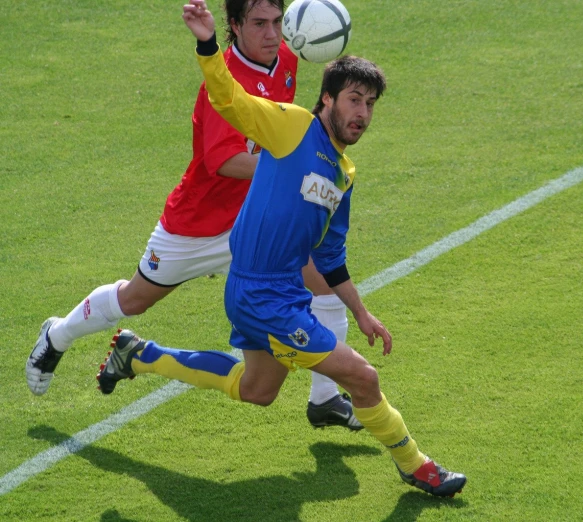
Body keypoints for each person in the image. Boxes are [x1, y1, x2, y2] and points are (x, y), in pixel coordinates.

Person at [95, 0, 467, 498]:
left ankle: (139, 354)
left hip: (278, 292)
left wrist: (363, 313)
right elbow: (229, 100)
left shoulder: (344, 175)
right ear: (327, 99)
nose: (362, 114)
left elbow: (330, 257)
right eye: (354, 100)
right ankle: (416, 465)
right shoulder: (291, 127)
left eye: (370, 105)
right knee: (363, 376)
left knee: (258, 391)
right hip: (263, 297)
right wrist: (208, 44)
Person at [26, 0, 361, 432]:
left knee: (327, 290)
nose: (271, 34)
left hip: (253, 224)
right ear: (235, 27)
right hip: (197, 225)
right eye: (259, 24)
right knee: (134, 299)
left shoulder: (289, 61)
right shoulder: (224, 80)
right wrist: (292, 166)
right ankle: (58, 335)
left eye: (277, 22)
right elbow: (221, 159)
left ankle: (325, 399)